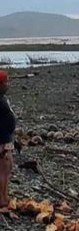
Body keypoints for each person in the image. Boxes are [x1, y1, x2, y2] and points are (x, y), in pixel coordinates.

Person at [0, 71, 16, 214]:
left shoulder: (2, 98)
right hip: (2, 141)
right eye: (6, 82)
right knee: (3, 171)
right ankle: (2, 201)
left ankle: (4, 197)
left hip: (6, 139)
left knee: (7, 169)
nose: (8, 85)